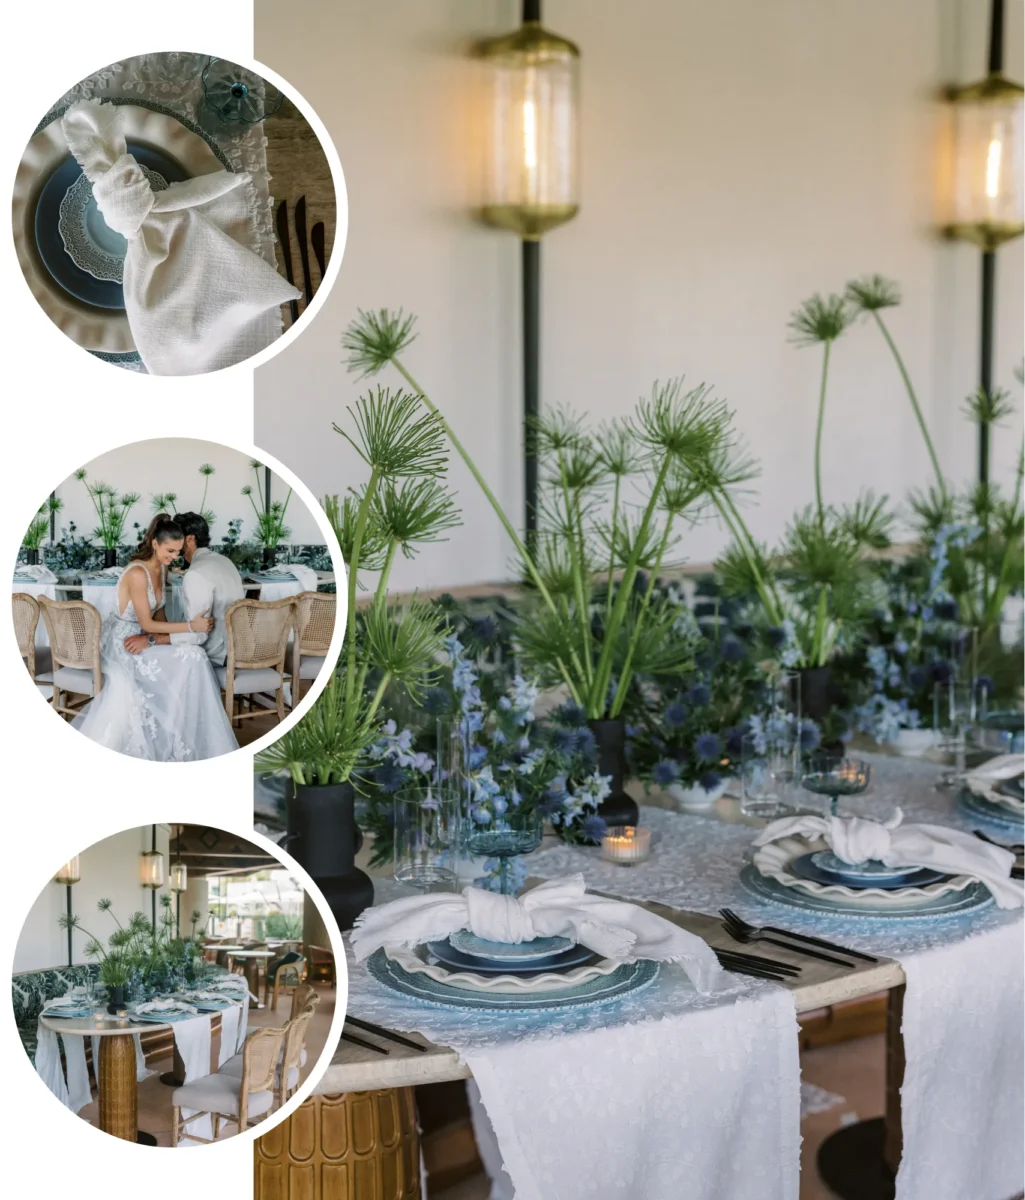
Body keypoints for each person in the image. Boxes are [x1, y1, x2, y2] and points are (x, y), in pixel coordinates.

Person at [72, 514, 238, 761]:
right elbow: (146, 622)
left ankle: (180, 735)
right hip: (124, 640)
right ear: (155, 544)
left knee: (192, 655)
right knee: (193, 655)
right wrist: (192, 627)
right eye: (169, 551)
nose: (174, 557)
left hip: (144, 635)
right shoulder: (138, 574)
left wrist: (166, 640)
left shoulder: (162, 568)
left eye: (178, 552)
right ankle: (174, 733)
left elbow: (159, 617)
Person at [143, 511, 245, 667]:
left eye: (177, 537)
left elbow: (198, 635)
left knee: (149, 659)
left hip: (221, 656)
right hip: (243, 647)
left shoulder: (196, 574)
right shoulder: (225, 561)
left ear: (190, 539)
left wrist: (152, 639)